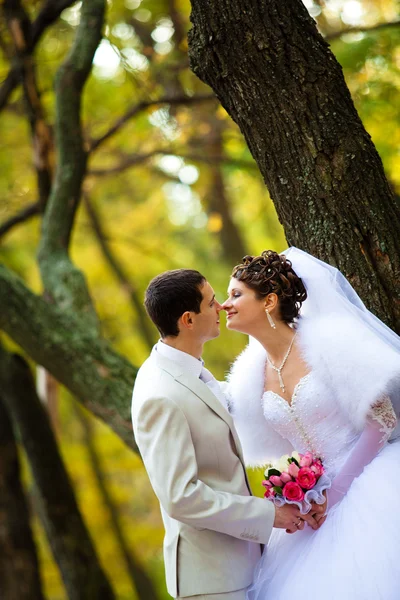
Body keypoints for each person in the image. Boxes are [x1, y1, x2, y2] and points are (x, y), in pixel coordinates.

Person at [131, 268, 323, 600]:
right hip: (213, 581)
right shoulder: (159, 395)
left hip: (246, 563)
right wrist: (269, 515)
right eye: (211, 302)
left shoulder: (186, 369)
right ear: (188, 320)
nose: (221, 307)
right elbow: (180, 497)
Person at [221, 247, 400, 600]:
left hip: (371, 483)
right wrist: (297, 493)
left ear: (269, 301)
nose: (225, 304)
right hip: (310, 510)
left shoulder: (329, 344)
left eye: (235, 294)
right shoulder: (250, 376)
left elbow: (382, 421)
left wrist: (335, 494)